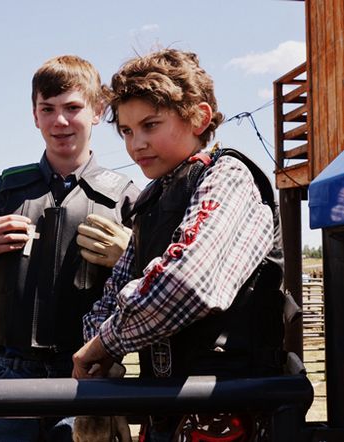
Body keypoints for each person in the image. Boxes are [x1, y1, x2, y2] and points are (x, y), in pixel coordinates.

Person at [72, 49, 286, 441]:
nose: (136, 143)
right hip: (167, 408)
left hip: (230, 408)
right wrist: (99, 362)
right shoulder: (150, 200)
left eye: (150, 125)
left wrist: (106, 343)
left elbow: (189, 282)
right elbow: (113, 293)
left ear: (199, 117)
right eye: (126, 131)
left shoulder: (228, 177)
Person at [0, 55, 140, 441]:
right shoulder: (7, 188)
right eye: (47, 109)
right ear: (34, 115)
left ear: (98, 111)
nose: (60, 122)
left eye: (73, 107)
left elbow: (151, 293)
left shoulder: (124, 197)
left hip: (87, 373)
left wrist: (130, 258)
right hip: (5, 372)